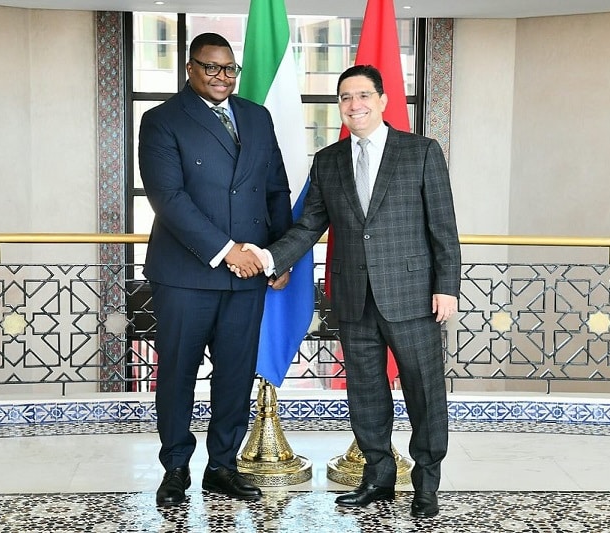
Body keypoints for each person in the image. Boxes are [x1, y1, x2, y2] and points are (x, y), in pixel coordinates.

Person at [235, 64, 461, 519]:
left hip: (413, 295)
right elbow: (309, 226)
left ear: (382, 101)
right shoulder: (329, 161)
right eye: (345, 97)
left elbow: (443, 227)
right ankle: (376, 477)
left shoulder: (421, 152)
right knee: (365, 391)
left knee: (424, 391)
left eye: (362, 95)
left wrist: (447, 287)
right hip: (354, 295)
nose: (353, 105)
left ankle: (426, 482)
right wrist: (271, 258)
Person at [137, 32, 293, 507]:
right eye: (211, 67)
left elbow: (276, 189)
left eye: (229, 68)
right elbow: (168, 199)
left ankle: (222, 467)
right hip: (187, 274)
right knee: (178, 373)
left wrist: (280, 255)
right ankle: (176, 468)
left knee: (235, 376)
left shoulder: (257, 116)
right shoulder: (161, 120)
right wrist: (227, 250)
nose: (222, 77)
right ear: (190, 68)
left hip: (250, 275)